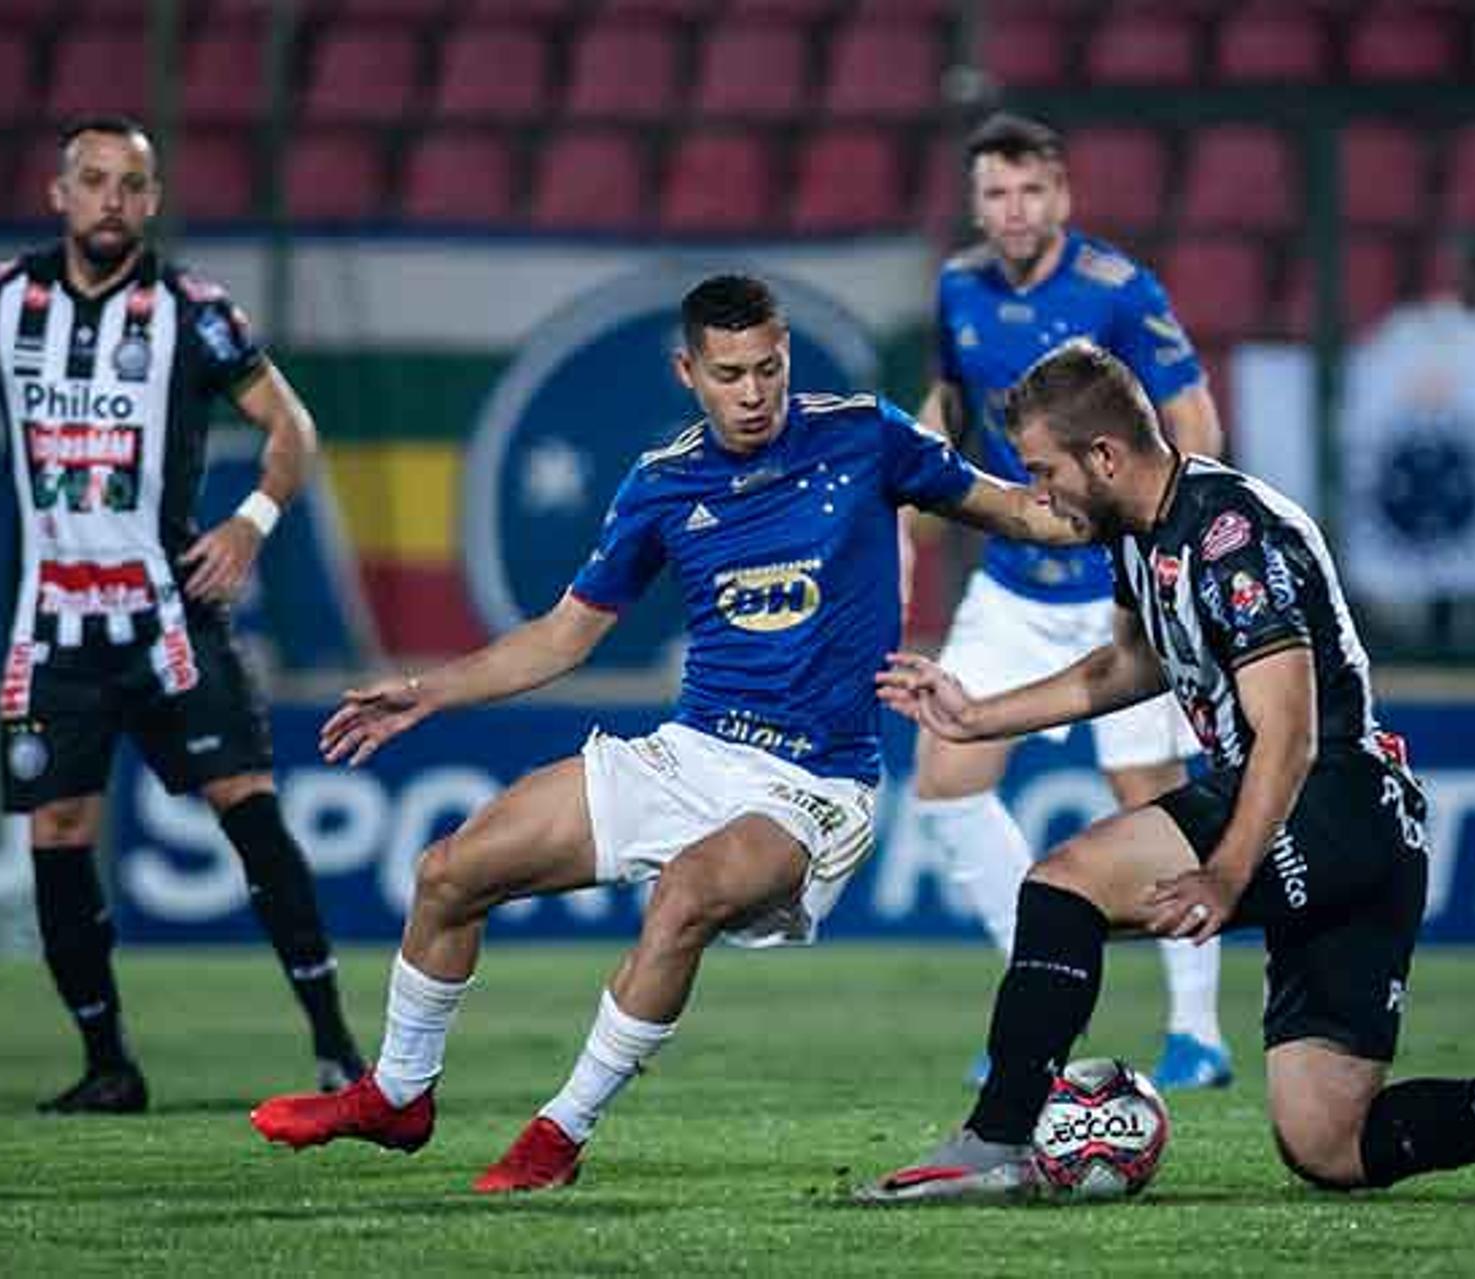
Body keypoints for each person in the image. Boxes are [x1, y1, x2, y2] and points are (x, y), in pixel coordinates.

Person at [249, 274, 1081, 1193]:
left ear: (787, 355)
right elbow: (565, 635)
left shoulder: (865, 432)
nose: (754, 392)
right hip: (690, 751)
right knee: (450, 872)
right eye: (730, 374)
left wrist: (1133, 507)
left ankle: (558, 1134)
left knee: (684, 895)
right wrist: (426, 692)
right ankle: (397, 1094)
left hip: (812, 785)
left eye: (769, 368)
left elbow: (1011, 506)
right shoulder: (663, 482)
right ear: (688, 369)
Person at [859, 341, 1475, 1206]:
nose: (1038, 495)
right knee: (1328, 1141)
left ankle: (1000, 1138)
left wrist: (1227, 872)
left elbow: (1290, 729)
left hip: (1329, 797)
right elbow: (1120, 669)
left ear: (1105, 456)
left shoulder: (1233, 534)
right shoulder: (1139, 536)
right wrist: (978, 713)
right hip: (1362, 831)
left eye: (1045, 470)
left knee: (1060, 889)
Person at [0, 116, 364, 1112]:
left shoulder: (193, 313)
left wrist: (251, 522)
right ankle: (107, 1065)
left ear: (153, 199)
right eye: (93, 180)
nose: (111, 199)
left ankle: (339, 1048)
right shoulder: (4, 300)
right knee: (59, 829)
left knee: (247, 806)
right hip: (53, 630)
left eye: (131, 183)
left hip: (169, 615)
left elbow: (289, 425)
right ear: (59, 194)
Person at [909, 112, 1233, 1089]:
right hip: (1013, 581)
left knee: (1151, 800)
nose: (1013, 210)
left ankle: (1199, 1034)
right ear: (976, 203)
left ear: (1063, 195)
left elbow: (1193, 419)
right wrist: (911, 495)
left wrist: (1186, 548)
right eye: (995, 194)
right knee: (945, 775)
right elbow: (953, 407)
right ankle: (1038, 997)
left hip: (1115, 585)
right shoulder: (958, 287)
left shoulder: (1119, 291)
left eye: (1030, 191)